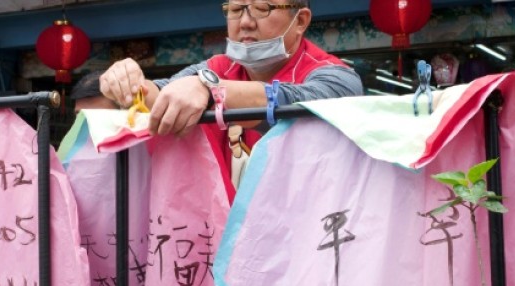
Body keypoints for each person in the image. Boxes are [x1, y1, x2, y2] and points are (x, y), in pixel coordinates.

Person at [99, 1, 362, 188]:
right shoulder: (217, 68)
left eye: (262, 8)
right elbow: (162, 96)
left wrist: (210, 88)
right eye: (235, 10)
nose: (245, 22)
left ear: (301, 21)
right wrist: (129, 84)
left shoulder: (336, 76)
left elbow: (301, 100)